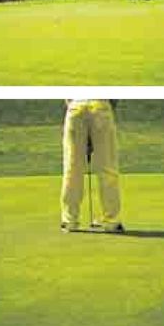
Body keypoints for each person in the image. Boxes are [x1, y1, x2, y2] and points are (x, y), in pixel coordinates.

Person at [60, 98, 124, 233]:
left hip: (75, 106)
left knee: (72, 167)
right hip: (101, 105)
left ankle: (69, 221)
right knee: (107, 166)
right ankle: (111, 221)